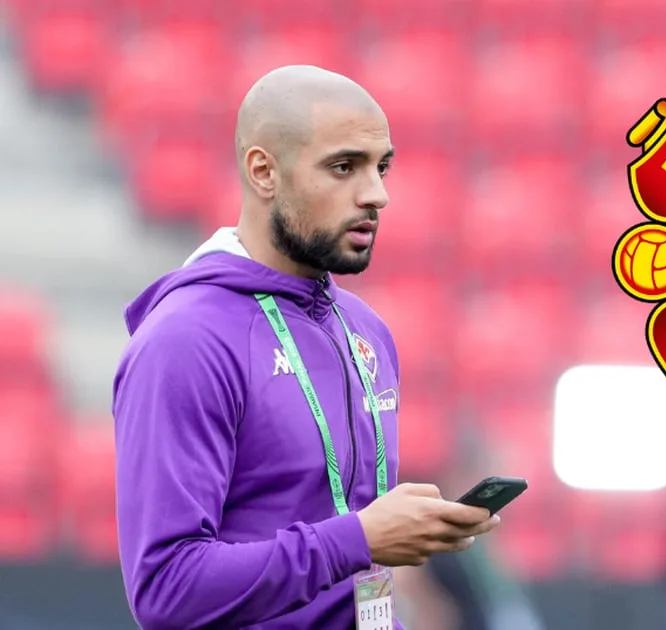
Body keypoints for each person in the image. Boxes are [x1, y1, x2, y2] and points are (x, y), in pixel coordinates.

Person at [112, 65, 500, 630]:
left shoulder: (364, 330)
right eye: (344, 167)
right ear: (263, 171)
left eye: (381, 167)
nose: (376, 195)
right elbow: (167, 591)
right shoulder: (186, 340)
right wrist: (358, 538)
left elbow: (354, 572)